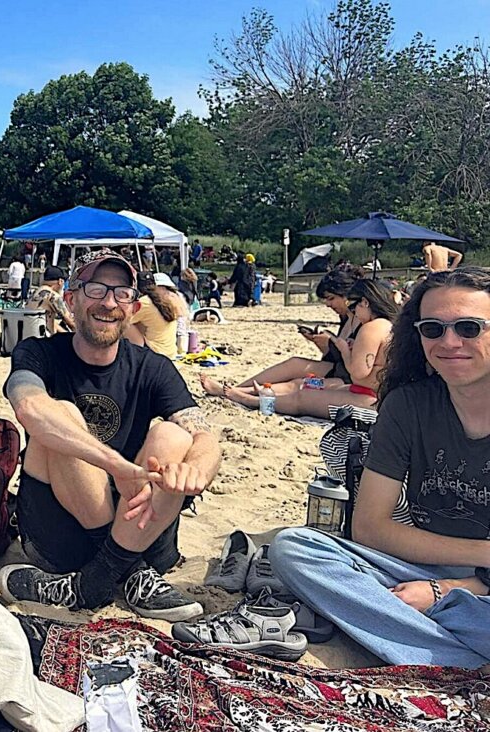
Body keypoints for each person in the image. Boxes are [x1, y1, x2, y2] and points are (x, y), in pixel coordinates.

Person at [270, 267, 490, 668]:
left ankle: (420, 640)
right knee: (295, 548)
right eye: (433, 329)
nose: (450, 342)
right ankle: (452, 654)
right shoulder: (408, 405)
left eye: (469, 327)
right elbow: (370, 527)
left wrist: (447, 590)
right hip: (421, 559)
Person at [0, 250, 219, 621]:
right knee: (61, 417)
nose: (109, 302)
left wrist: (196, 469)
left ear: (133, 308)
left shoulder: (152, 367)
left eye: (122, 294)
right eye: (96, 289)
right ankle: (125, 572)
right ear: (71, 299)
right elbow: (29, 408)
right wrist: (115, 465)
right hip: (59, 536)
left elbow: (205, 435)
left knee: (174, 436)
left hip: (139, 529)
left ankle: (93, 582)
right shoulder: (38, 352)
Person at [206, 279, 398, 418]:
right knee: (304, 385)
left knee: (303, 396)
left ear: (365, 302)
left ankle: (250, 399)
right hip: (373, 394)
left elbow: (357, 372)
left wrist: (344, 349)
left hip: (366, 397)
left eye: (354, 307)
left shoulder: (371, 328)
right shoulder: (389, 325)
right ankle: (247, 393)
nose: (353, 312)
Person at [200, 268, 362, 399]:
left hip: (348, 380)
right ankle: (236, 388)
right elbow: (336, 357)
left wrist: (333, 344)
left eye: (331, 298)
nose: (328, 304)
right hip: (337, 369)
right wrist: (321, 343)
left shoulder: (363, 322)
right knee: (295, 363)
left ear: (346, 295)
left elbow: (358, 368)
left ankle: (240, 394)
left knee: (301, 383)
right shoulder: (346, 317)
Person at [126, 272, 185, 357]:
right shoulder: (167, 299)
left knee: (126, 325)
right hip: (170, 352)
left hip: (155, 351)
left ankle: (137, 353)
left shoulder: (145, 302)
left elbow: (123, 321)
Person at [25, 265, 74, 334]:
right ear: (60, 281)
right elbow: (71, 322)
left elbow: (51, 323)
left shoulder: (34, 294)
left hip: (30, 336)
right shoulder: (53, 296)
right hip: (43, 341)